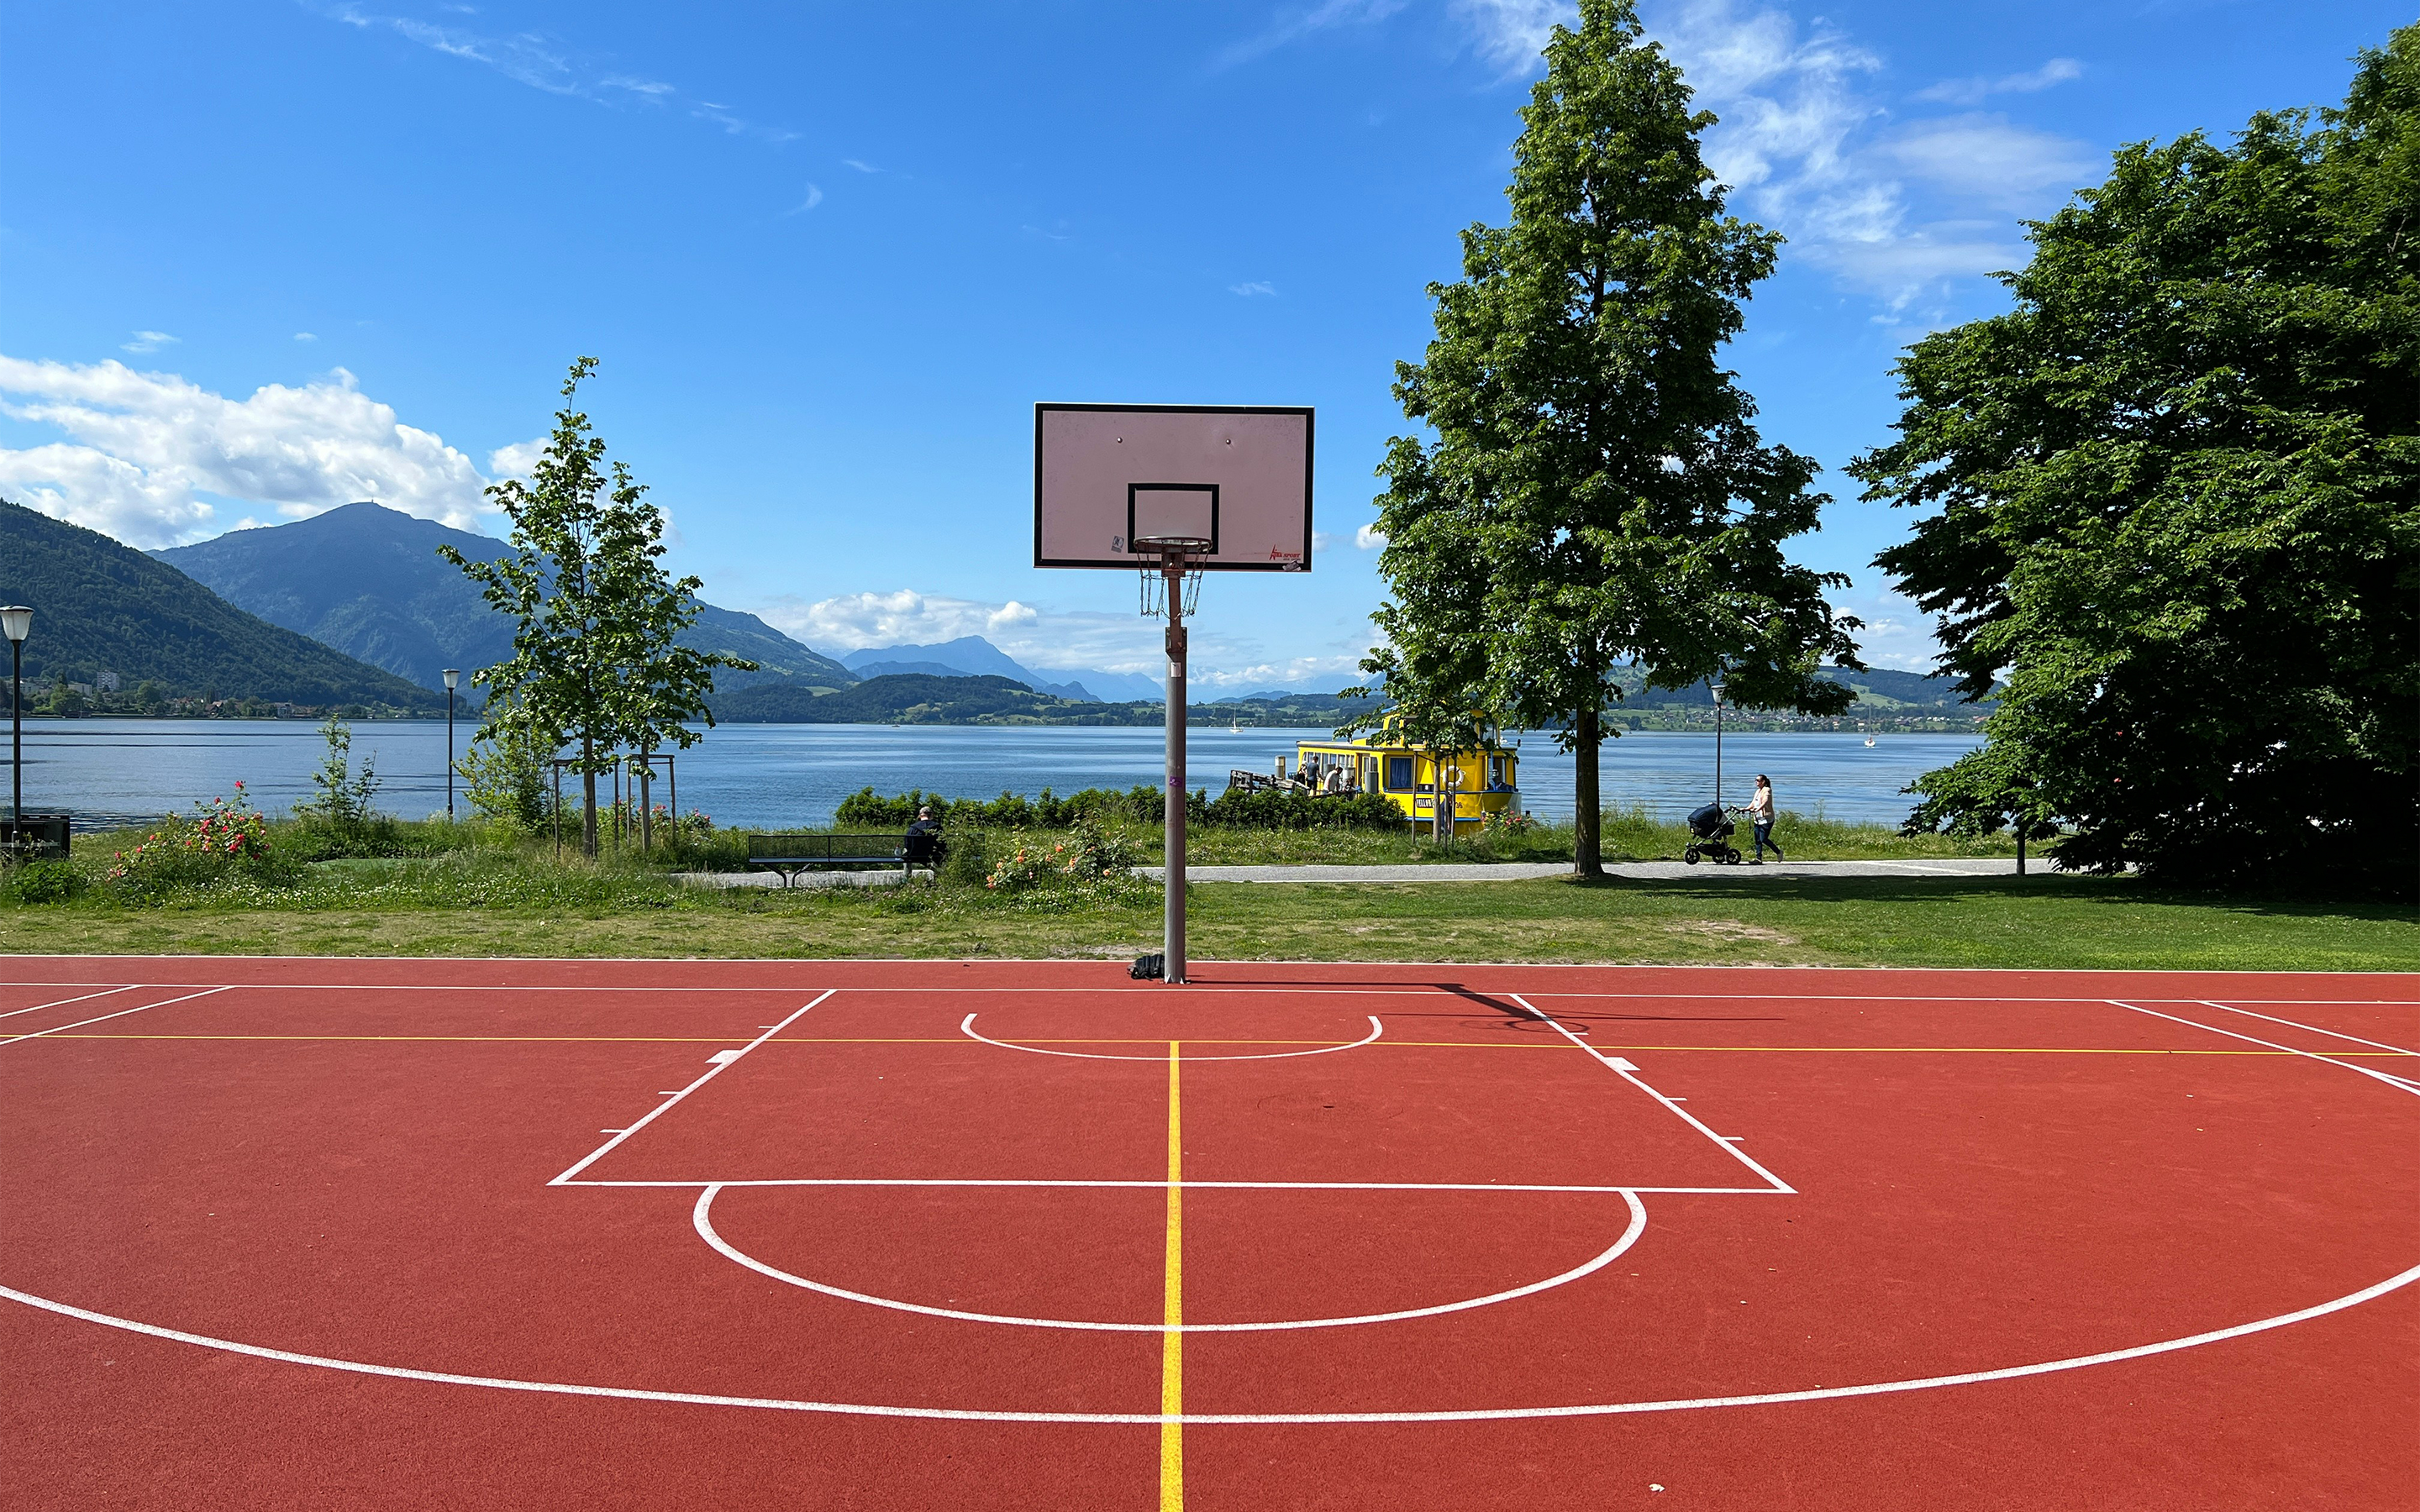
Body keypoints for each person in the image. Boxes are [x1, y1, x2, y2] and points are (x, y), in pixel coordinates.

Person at [1748, 775, 1781, 864]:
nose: (1756, 782)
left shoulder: (1767, 790)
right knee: (1757, 839)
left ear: (1763, 782)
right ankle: (1758, 858)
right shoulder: (1758, 791)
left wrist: (1758, 809)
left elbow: (1765, 802)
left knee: (1763, 839)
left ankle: (1778, 852)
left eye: (1758, 780)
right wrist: (1745, 809)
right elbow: (1753, 803)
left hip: (1766, 819)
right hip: (1757, 819)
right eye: (1755, 780)